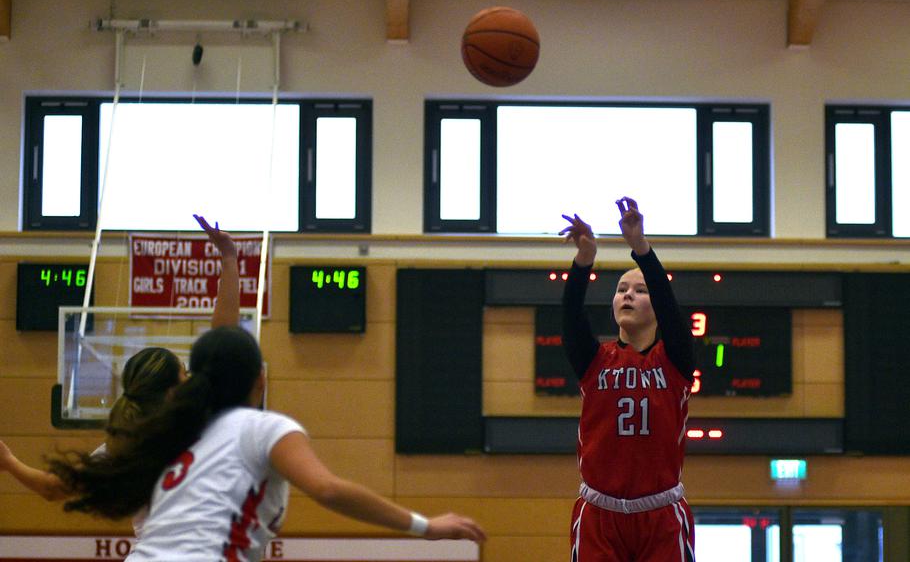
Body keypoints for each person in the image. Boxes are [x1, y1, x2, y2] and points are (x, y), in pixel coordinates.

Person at [47, 326, 486, 560]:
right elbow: (327, 489)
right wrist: (426, 526)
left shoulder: (177, 432)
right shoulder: (263, 428)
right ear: (261, 378)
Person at [0, 214, 239, 500]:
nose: (191, 378)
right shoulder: (195, 421)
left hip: (153, 546)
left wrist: (10, 463)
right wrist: (228, 257)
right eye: (184, 374)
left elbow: (56, 488)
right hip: (193, 545)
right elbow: (223, 336)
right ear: (170, 392)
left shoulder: (126, 444)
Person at [559, 197, 696, 561]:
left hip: (661, 514)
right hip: (599, 515)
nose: (627, 295)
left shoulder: (675, 359)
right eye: (621, 290)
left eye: (639, 290)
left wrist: (640, 249)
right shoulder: (595, 360)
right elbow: (571, 317)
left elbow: (670, 307)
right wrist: (584, 260)